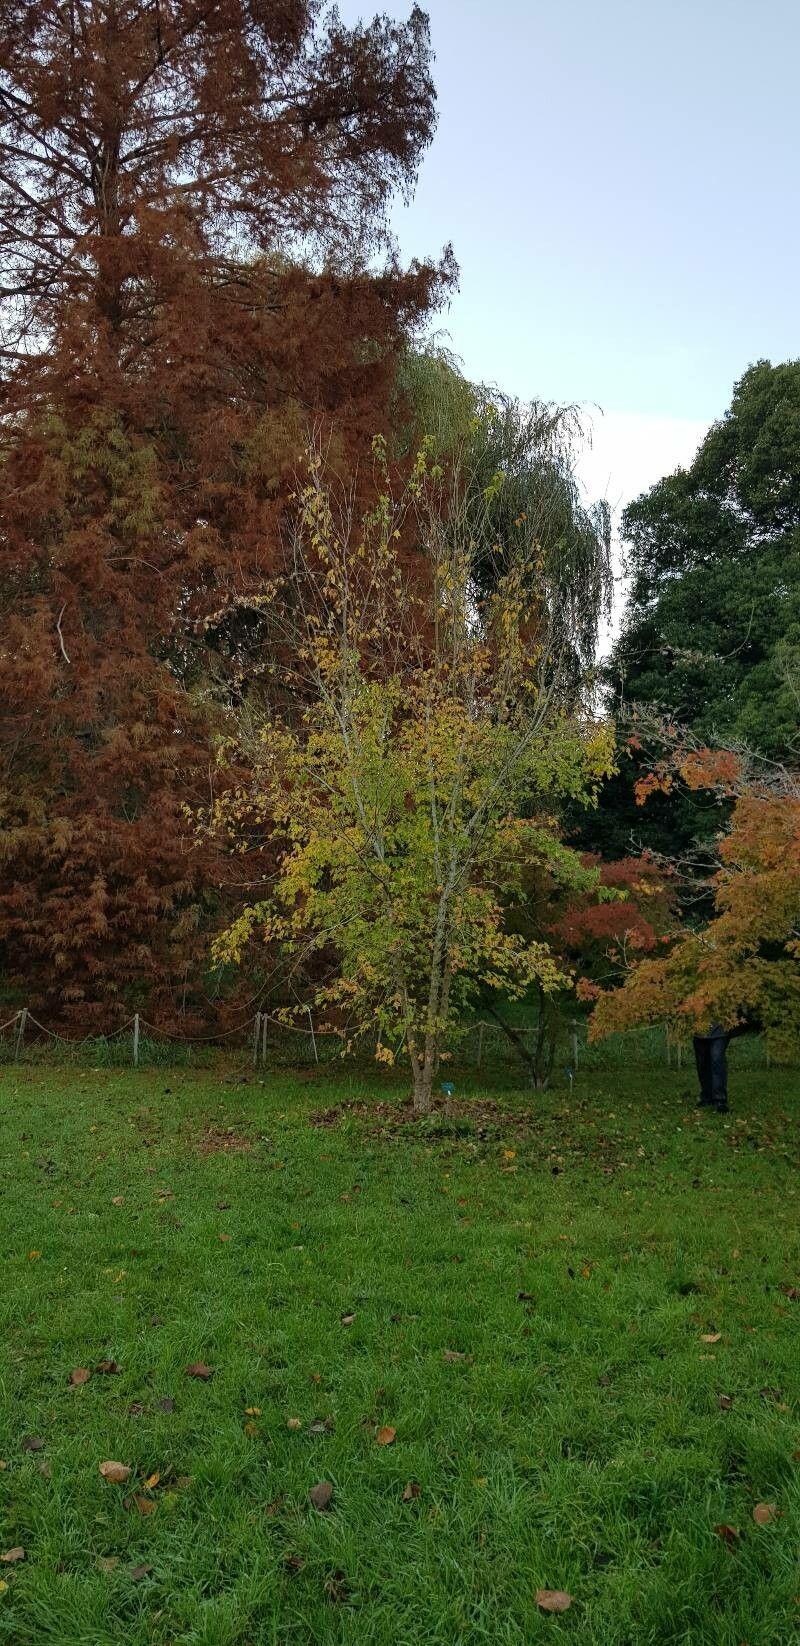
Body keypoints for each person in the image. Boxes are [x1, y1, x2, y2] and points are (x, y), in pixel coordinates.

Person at [692, 1021, 754, 1113]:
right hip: (699, 1028)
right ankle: (707, 1097)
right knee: (702, 1063)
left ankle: (720, 1100)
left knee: (717, 1061)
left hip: (720, 1028)